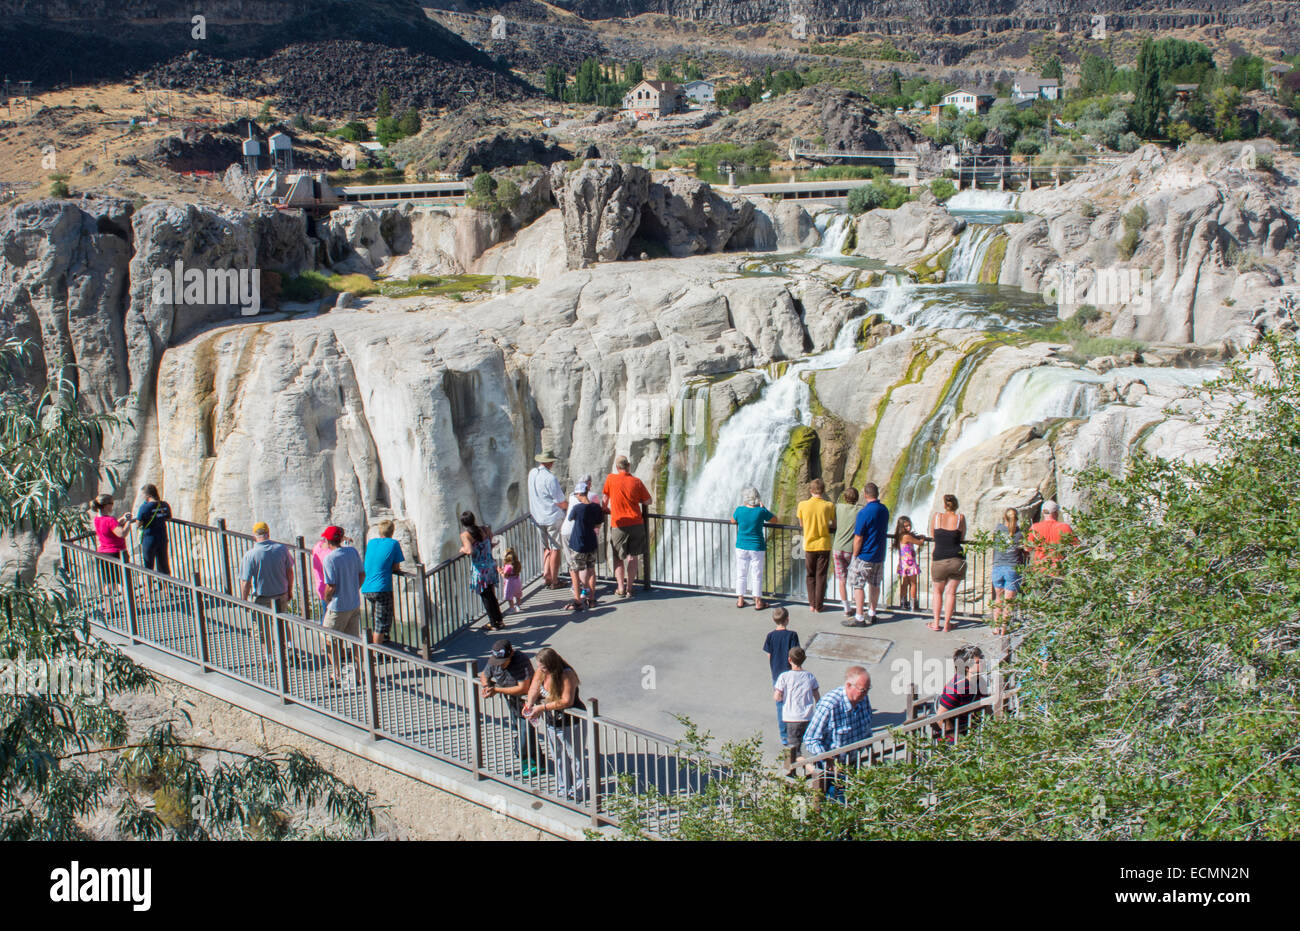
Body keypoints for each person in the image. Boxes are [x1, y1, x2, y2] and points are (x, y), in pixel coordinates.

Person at [523, 647, 587, 802]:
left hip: (571, 722)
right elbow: (534, 688)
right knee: (558, 755)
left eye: (543, 667)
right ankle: (563, 788)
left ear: (551, 665)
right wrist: (530, 704)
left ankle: (579, 791)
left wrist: (542, 707)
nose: (540, 669)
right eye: (539, 666)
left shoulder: (566, 674)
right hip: (552, 721)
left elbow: (567, 701)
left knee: (576, 757)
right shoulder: (542, 672)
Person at [802, 666, 874, 798]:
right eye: (863, 690)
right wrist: (827, 759)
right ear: (848, 685)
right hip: (833, 769)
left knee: (859, 801)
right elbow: (810, 739)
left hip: (854, 763)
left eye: (867, 690)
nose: (865, 694)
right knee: (840, 804)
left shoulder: (863, 699)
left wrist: (871, 755)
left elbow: (867, 729)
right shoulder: (830, 705)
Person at [480, 640, 544, 778]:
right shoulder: (494, 660)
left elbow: (523, 688)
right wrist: (486, 686)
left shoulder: (520, 660)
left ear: (512, 654)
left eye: (503, 661)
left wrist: (496, 689)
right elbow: (484, 675)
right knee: (523, 731)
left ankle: (528, 760)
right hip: (512, 702)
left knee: (525, 733)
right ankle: (535, 761)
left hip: (526, 703)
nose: (500, 664)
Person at [238, 521, 297, 665]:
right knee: (282, 623)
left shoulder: (250, 555)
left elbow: (245, 582)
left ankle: (269, 658)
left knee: (263, 630)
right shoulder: (281, 549)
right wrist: (289, 590)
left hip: (261, 597)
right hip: (281, 593)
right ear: (268, 533)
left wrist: (243, 600)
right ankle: (288, 648)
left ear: (255, 536)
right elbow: (290, 571)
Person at [601, 455, 652, 599]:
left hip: (618, 524)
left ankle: (620, 588)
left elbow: (605, 499)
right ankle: (630, 589)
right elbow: (648, 501)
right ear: (628, 466)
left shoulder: (611, 479)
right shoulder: (636, 482)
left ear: (617, 468)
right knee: (633, 557)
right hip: (636, 523)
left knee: (618, 557)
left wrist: (604, 509)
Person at [320, 525, 365, 686]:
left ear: (328, 540)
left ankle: (337, 675)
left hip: (337, 606)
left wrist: (326, 598)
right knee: (354, 640)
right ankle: (358, 675)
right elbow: (362, 574)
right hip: (353, 602)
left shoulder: (330, 559)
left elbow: (331, 585)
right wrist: (354, 589)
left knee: (329, 640)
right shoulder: (352, 552)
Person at [846, 482, 889, 627]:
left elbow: (858, 537)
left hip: (865, 555)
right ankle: (872, 613)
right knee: (875, 585)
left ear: (865, 495)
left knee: (858, 585)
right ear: (877, 494)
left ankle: (859, 617)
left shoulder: (864, 513)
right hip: (879, 554)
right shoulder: (884, 510)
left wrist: (855, 554)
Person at [361, 519, 405, 645]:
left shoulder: (372, 542)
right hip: (381, 588)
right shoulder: (393, 543)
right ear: (392, 531)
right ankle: (376, 653)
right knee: (381, 623)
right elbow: (396, 567)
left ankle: (382, 642)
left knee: (377, 617)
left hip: (367, 587)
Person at [528, 450, 568, 589]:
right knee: (555, 548)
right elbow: (560, 501)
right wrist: (568, 506)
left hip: (537, 517)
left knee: (546, 547)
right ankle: (555, 581)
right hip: (551, 517)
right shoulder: (550, 478)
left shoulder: (532, 474)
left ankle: (547, 576)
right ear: (550, 463)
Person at [774, 647, 820, 765]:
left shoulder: (784, 677)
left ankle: (809, 768)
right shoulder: (810, 676)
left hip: (792, 717)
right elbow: (817, 696)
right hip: (808, 716)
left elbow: (777, 696)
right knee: (810, 744)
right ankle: (812, 764)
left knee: (793, 750)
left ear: (789, 659)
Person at [459, 511, 504, 630]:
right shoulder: (485, 529)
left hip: (480, 569)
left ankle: (494, 623)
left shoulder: (466, 535)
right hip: (490, 565)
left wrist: (462, 549)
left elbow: (469, 550)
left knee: (486, 597)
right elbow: (494, 543)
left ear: (463, 523)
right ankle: (499, 620)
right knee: (491, 595)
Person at [796, 478, 836, 613]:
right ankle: (819, 606)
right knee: (821, 575)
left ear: (811, 490)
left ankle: (812, 604)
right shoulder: (829, 505)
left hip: (809, 545)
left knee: (810, 575)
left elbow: (801, 524)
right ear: (823, 491)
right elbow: (834, 524)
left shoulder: (802, 505)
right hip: (824, 544)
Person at [928, 494, 967, 633]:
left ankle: (936, 623)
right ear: (956, 505)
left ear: (945, 505)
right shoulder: (960, 518)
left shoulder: (937, 517)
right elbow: (962, 537)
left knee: (937, 592)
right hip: (956, 559)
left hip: (939, 559)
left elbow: (933, 535)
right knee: (951, 593)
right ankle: (947, 625)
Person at [564, 481, 605, 611]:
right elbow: (598, 525)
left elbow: (570, 518)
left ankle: (578, 602)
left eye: (576, 494)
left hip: (578, 544)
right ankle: (591, 600)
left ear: (580, 494)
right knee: (591, 570)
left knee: (574, 571)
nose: (576, 496)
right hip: (591, 542)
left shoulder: (577, 508)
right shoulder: (596, 507)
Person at [762, 607, 800, 748]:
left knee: (780, 704)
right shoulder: (792, 635)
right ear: (787, 619)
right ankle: (795, 732)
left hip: (777, 674)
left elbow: (769, 654)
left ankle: (784, 736)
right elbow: (795, 654)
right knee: (792, 702)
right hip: (790, 673)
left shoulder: (770, 636)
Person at [732, 486, 774, 609]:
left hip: (741, 546)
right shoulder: (761, 511)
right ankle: (758, 602)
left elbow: (732, 521)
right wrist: (764, 508)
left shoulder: (739, 510)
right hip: (757, 546)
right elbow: (775, 520)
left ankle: (740, 600)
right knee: (757, 574)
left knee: (741, 573)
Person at [937, 645, 987, 741]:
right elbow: (941, 717)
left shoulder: (980, 682)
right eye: (978, 662)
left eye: (982, 658)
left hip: (969, 731)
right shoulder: (955, 688)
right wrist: (957, 740)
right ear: (967, 668)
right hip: (953, 738)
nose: (983, 662)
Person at [90, 494, 129, 615]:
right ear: (106, 506)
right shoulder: (110, 520)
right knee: (123, 582)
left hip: (103, 554)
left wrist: (121, 520)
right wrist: (128, 522)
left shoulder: (97, 519)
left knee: (109, 583)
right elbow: (121, 533)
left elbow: (110, 528)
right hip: (116, 553)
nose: (112, 506)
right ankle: (129, 608)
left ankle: (109, 608)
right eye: (111, 504)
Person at [991, 508, 1025, 635]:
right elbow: (1025, 547)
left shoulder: (999, 529)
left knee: (998, 598)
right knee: (1009, 601)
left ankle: (996, 626)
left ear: (1005, 518)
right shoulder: (1020, 534)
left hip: (998, 567)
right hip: (1012, 568)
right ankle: (1004, 628)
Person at [832, 486, 862, 618]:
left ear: (845, 498)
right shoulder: (859, 510)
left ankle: (846, 608)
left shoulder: (838, 507)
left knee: (841, 579)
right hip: (852, 550)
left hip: (837, 548)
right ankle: (858, 606)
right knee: (856, 579)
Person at [131, 484, 171, 576]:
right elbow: (168, 518)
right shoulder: (164, 505)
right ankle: (166, 586)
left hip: (149, 538)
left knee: (148, 565)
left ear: (147, 495)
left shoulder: (145, 507)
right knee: (163, 563)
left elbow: (138, 523)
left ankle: (149, 587)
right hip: (162, 537)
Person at [1028, 500, 1076, 572]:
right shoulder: (1064, 527)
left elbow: (1027, 548)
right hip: (1058, 568)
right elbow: (1076, 546)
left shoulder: (1035, 528)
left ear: (1043, 513)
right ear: (1056, 513)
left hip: (1040, 568)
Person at [894, 515, 924, 612]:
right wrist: (922, 538)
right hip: (910, 563)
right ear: (901, 527)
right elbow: (919, 543)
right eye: (906, 526)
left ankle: (903, 603)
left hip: (903, 563)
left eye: (909, 525)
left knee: (905, 583)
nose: (909, 528)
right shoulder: (906, 536)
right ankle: (913, 603)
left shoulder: (900, 536)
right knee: (913, 583)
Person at [500, 547, 524, 613]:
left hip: (510, 583)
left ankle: (512, 608)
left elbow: (505, 575)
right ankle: (518, 605)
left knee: (509, 596)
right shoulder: (517, 564)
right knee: (517, 594)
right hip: (517, 581)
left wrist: (500, 572)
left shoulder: (508, 566)